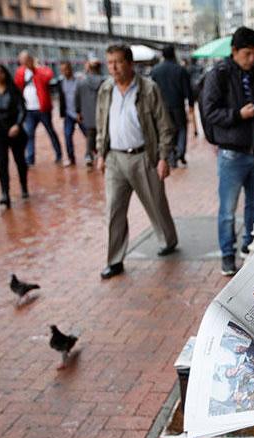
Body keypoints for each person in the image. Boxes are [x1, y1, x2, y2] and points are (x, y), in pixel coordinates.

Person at [95, 44, 179, 279]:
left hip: (144, 156)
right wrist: (101, 153)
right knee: (114, 210)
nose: (113, 68)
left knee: (155, 202)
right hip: (114, 159)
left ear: (130, 63)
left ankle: (168, 240)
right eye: (109, 62)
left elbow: (164, 126)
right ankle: (115, 260)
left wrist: (163, 158)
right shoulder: (105, 90)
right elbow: (102, 123)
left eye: (118, 62)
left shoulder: (148, 89)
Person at [200, 27, 254, 276]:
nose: (252, 59)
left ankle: (248, 247)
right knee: (228, 210)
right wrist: (237, 114)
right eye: (247, 54)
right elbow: (210, 112)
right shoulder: (218, 75)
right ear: (234, 51)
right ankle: (227, 255)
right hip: (231, 153)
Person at [0, 64, 29, 208]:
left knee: (20, 161)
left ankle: (24, 185)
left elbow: (22, 109)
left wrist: (17, 125)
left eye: (0, 72)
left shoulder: (13, 90)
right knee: (1, 163)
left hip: (15, 131)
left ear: (5, 74)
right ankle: (5, 193)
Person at [14, 50, 62, 166]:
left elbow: (48, 77)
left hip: (43, 109)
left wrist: (36, 67)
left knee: (50, 131)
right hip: (29, 110)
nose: (24, 63)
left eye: (26, 61)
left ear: (30, 59)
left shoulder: (40, 70)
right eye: (22, 61)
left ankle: (59, 155)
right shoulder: (21, 72)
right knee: (29, 134)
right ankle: (30, 159)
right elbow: (17, 84)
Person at [150, 46, 194, 168]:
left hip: (162, 107)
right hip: (178, 104)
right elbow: (188, 89)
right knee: (182, 128)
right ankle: (180, 152)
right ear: (173, 54)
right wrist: (190, 104)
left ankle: (171, 155)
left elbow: (151, 90)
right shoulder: (180, 70)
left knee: (168, 130)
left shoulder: (155, 71)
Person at [75, 59, 105, 168]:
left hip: (87, 113)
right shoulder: (104, 81)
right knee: (103, 134)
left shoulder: (81, 82)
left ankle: (88, 156)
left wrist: (78, 111)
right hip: (102, 113)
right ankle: (102, 154)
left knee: (90, 136)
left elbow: (76, 97)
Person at [58, 61, 86, 167]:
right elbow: (62, 99)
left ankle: (96, 153)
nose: (65, 72)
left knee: (88, 134)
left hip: (80, 113)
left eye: (66, 69)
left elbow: (83, 97)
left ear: (70, 68)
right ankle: (71, 158)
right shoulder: (61, 83)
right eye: (62, 70)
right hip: (69, 114)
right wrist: (62, 113)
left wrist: (81, 112)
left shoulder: (79, 81)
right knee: (67, 135)